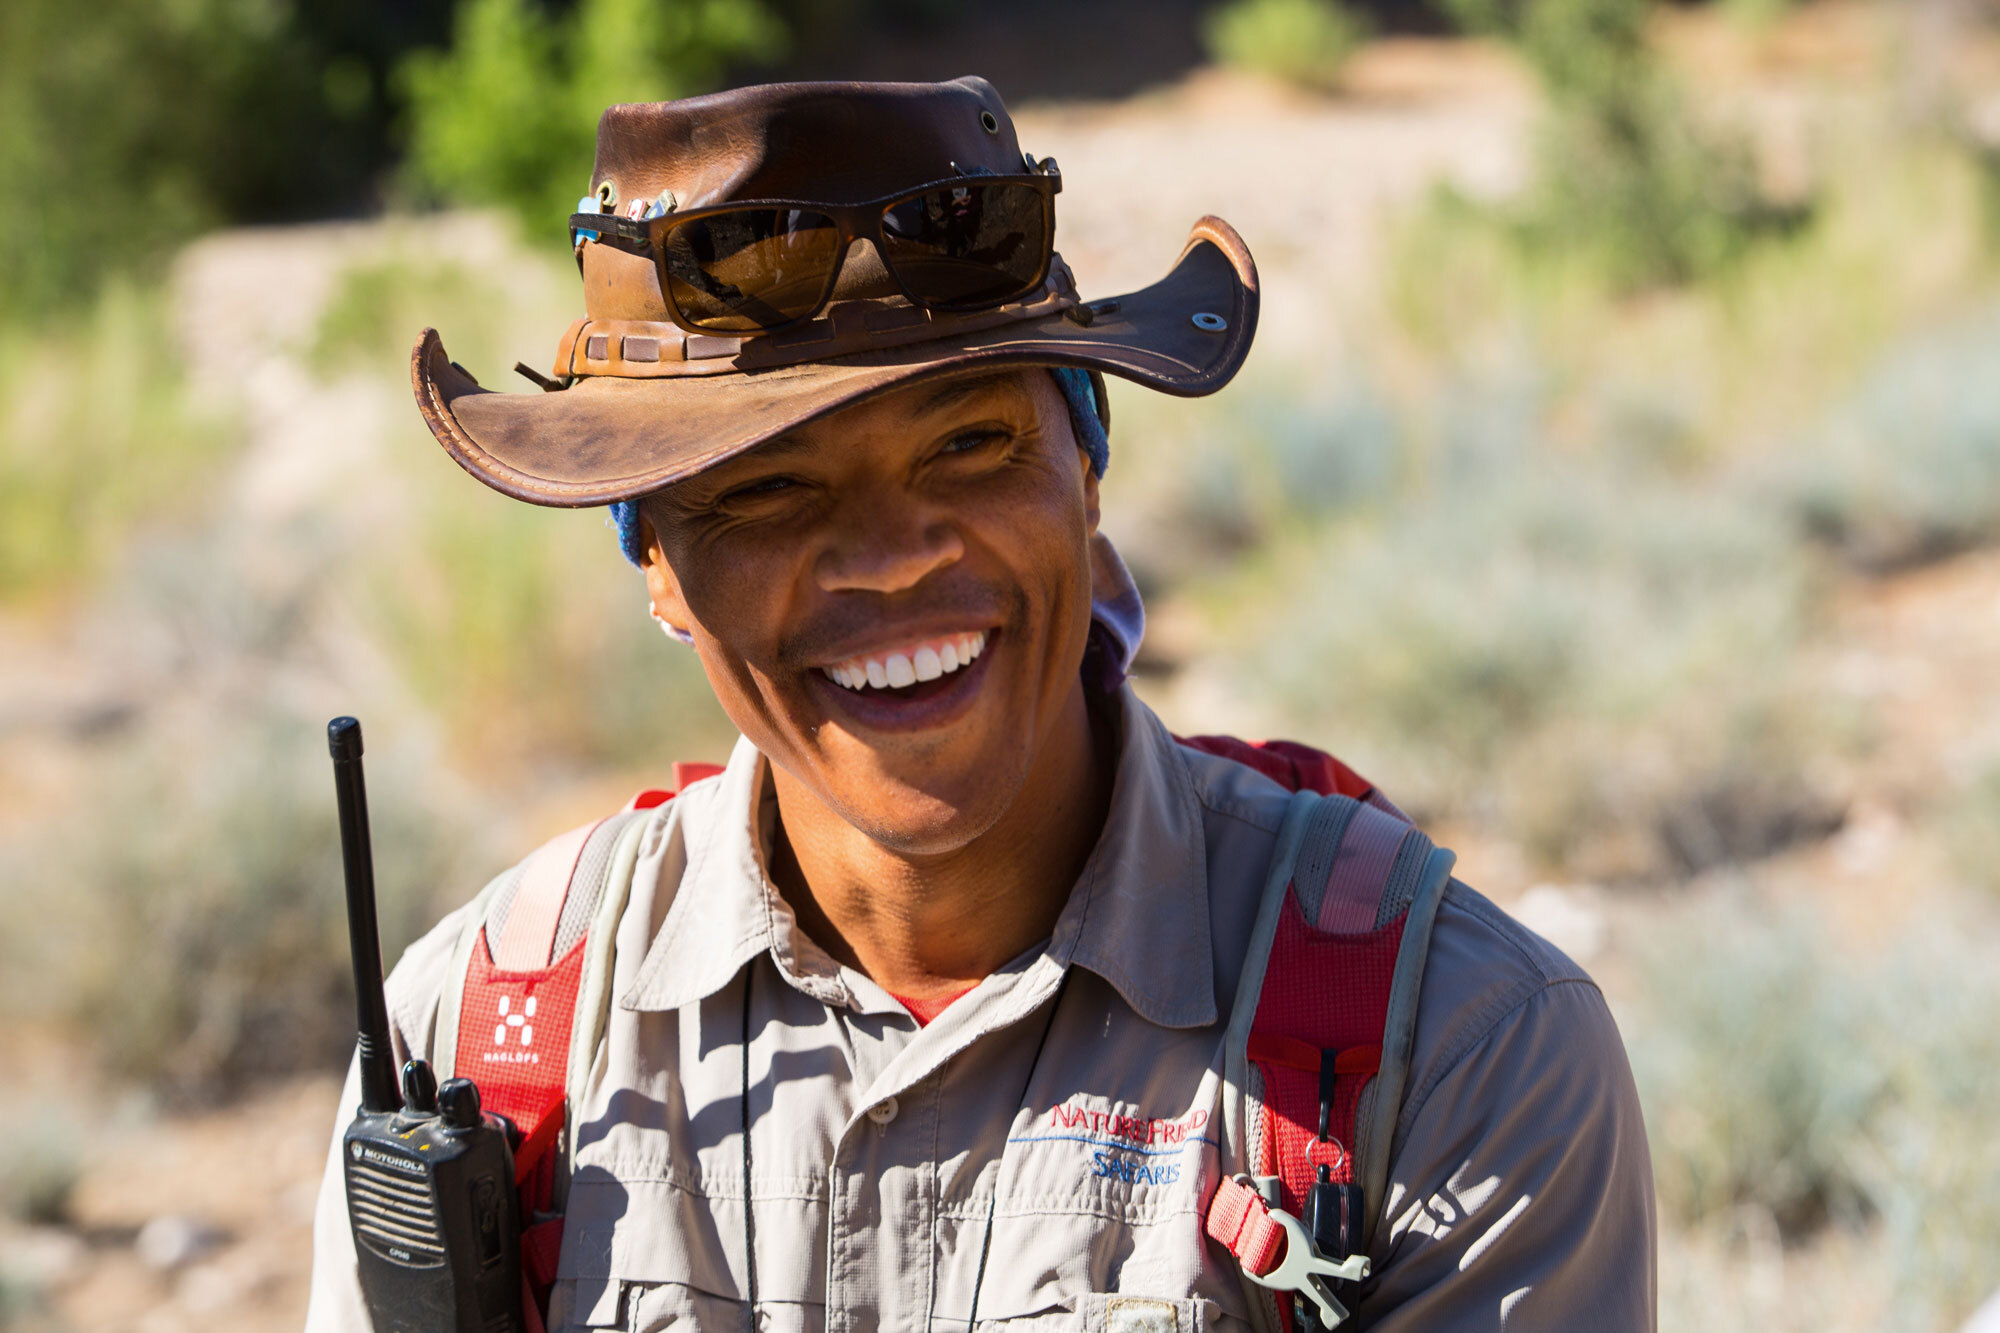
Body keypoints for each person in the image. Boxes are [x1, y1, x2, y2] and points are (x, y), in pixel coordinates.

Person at [306, 78, 1656, 1332]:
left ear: (1087, 475)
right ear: (657, 563)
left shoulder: (1457, 1052)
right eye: (768, 488)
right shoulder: (479, 1047)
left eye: (970, 443)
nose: (893, 556)